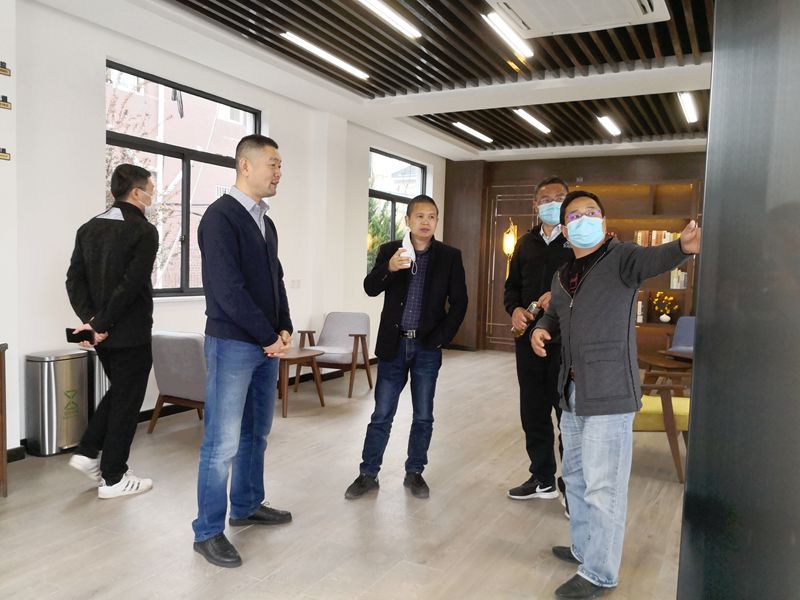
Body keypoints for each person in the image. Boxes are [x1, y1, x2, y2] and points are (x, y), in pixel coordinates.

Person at [531, 190, 701, 599]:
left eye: (591, 212)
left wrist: (682, 247)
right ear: (565, 228)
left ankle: (599, 573)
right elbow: (555, 312)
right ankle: (584, 549)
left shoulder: (622, 258)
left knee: (603, 487)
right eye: (575, 215)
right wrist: (542, 328)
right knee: (575, 478)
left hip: (609, 392)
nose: (584, 219)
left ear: (604, 222)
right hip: (572, 392)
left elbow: (655, 259)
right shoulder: (562, 275)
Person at [192, 134, 293, 569]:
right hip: (233, 343)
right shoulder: (220, 217)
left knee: (256, 433)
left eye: (280, 165)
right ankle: (207, 532)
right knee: (222, 443)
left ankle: (247, 505)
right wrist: (267, 336)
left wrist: (284, 326)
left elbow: (276, 280)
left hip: (264, 345)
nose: (278, 172)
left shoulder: (265, 222)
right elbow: (227, 290)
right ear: (245, 165)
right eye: (273, 163)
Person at [345, 195, 467, 500]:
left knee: (423, 415)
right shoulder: (391, 251)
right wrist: (389, 268)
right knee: (381, 414)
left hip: (427, 347)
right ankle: (368, 474)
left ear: (436, 221)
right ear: (408, 220)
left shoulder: (449, 256)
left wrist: (442, 338)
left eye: (432, 217)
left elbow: (460, 302)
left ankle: (415, 472)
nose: (426, 222)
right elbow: (370, 288)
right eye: (420, 216)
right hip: (394, 344)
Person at [65, 163, 159, 499]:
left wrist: (92, 322)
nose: (153, 197)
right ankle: (114, 477)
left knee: (120, 392)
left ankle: (88, 451)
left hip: (102, 335)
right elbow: (131, 285)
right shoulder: (143, 231)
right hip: (130, 333)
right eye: (150, 190)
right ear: (136, 192)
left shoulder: (88, 228)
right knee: (127, 402)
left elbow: (73, 280)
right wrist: (100, 324)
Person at [504, 176, 573, 510]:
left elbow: (587, 289)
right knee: (533, 412)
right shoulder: (524, 243)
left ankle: (571, 487)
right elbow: (511, 287)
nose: (552, 203)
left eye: (559, 197)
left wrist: (558, 296)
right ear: (535, 205)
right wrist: (515, 309)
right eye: (545, 199)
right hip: (528, 342)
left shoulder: (577, 242)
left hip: (565, 344)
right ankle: (542, 478)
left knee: (567, 416)